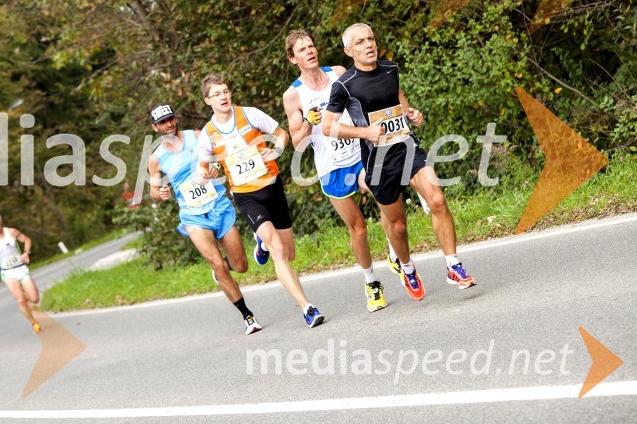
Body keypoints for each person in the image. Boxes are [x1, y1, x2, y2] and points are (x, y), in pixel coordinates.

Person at [322, 23, 476, 301]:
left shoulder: (390, 69)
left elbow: (398, 96)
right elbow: (327, 127)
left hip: (407, 147)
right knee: (398, 226)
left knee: (437, 199)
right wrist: (364, 133)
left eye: (371, 38)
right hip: (378, 160)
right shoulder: (344, 85)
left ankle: (453, 266)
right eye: (360, 42)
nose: (369, 44)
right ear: (348, 51)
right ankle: (407, 268)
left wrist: (411, 114)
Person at [196, 75, 325, 328]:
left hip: (272, 186)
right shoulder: (208, 135)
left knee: (288, 252)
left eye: (225, 91)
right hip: (247, 195)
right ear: (207, 100)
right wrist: (207, 173)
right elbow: (202, 169)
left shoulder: (250, 114)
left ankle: (261, 242)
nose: (223, 97)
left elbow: (281, 134)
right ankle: (307, 308)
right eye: (217, 94)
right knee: (278, 251)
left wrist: (276, 150)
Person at [282, 29, 388, 313]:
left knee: (383, 194)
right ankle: (371, 281)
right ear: (293, 59)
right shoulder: (293, 95)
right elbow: (298, 143)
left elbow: (361, 101)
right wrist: (307, 122)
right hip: (331, 166)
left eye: (311, 46)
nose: (310, 51)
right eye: (302, 49)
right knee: (358, 229)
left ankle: (394, 253)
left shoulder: (339, 73)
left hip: (359, 152)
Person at [147, 104, 262, 335]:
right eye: (162, 122)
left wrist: (215, 168)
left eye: (170, 119)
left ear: (175, 119)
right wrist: (160, 193)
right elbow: (153, 191)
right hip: (193, 217)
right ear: (155, 127)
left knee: (241, 266)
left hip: (218, 206)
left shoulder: (197, 136)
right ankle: (247, 316)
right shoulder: (156, 158)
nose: (169, 124)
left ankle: (224, 268)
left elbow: (220, 159)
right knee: (217, 265)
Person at [0, 212, 42, 333]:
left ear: (1, 221)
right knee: (20, 300)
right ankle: (34, 323)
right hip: (8, 273)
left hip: (21, 268)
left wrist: (26, 253)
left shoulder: (12, 232)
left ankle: (26, 295)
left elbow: (27, 240)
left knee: (34, 299)